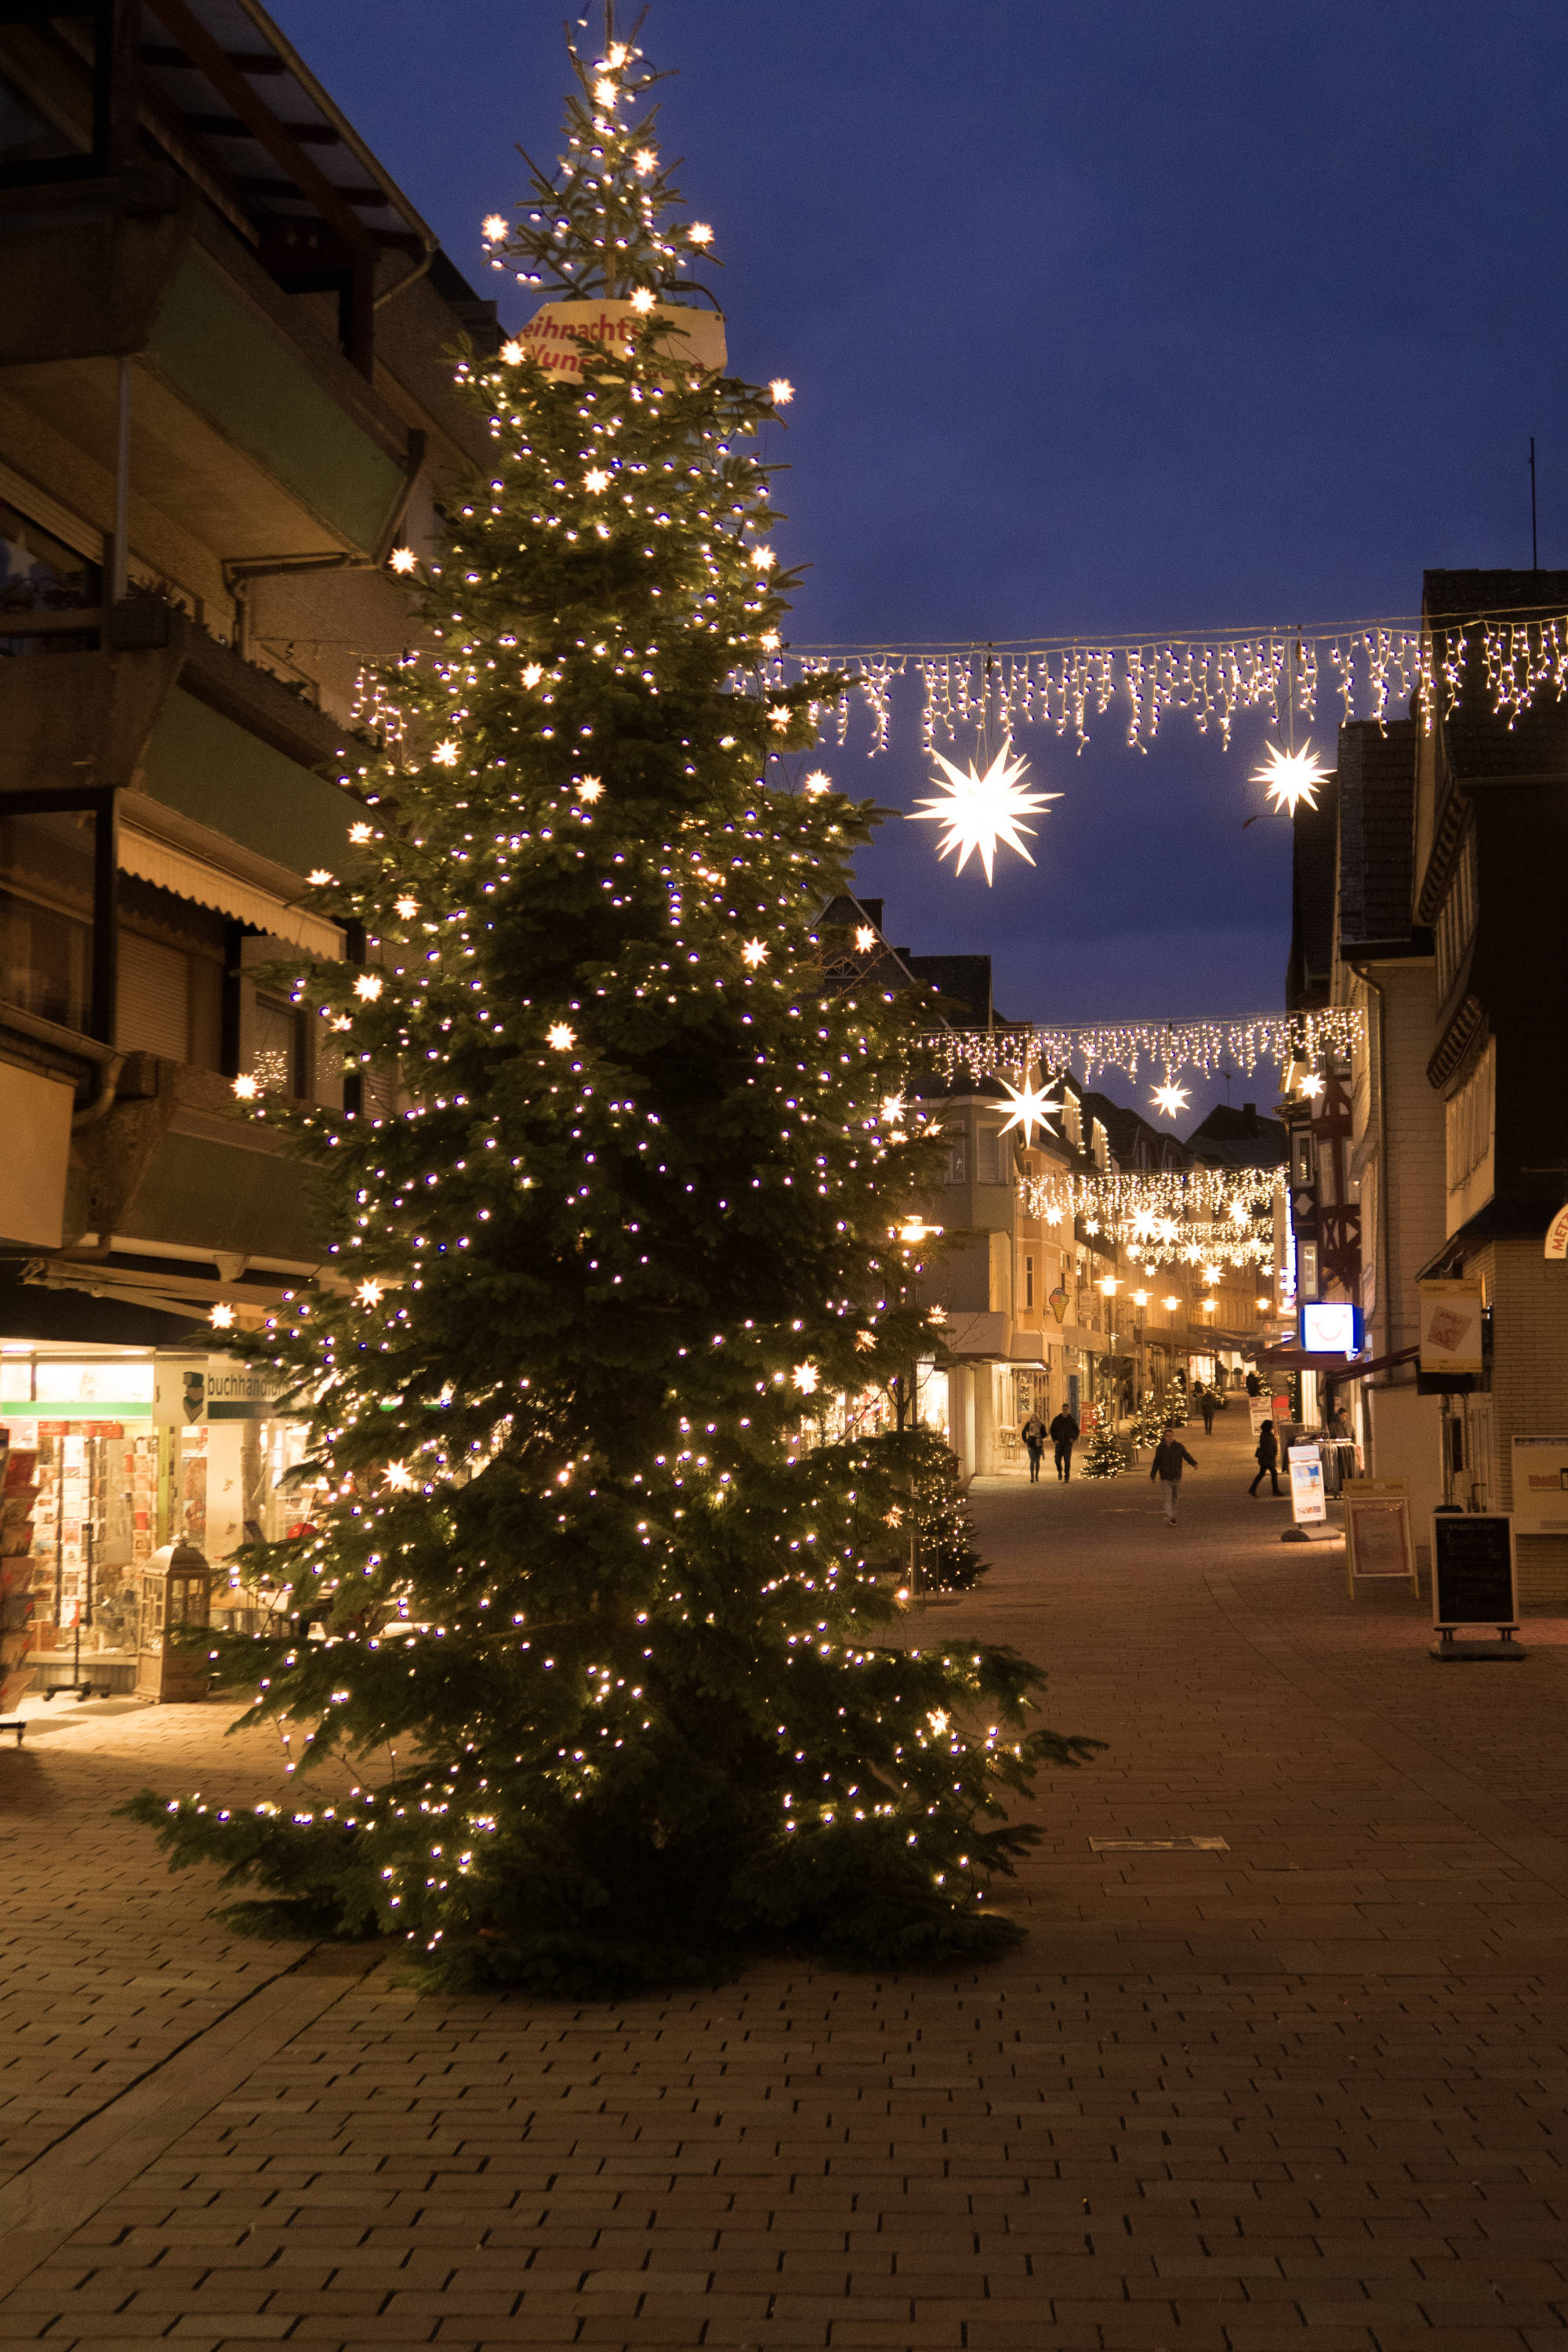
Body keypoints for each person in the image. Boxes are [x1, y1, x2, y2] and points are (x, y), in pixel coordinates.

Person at [1150, 1425, 1198, 1523]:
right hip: (1165, 1478)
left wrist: (1194, 1463)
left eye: (1171, 1436)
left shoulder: (1179, 1447)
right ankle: (1169, 1516)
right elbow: (1156, 1462)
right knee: (1167, 1498)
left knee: (1174, 1499)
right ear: (1165, 1437)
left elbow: (1186, 1455)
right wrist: (1153, 1474)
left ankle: (1173, 1516)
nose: (1170, 1438)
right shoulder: (1160, 1448)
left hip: (1176, 1477)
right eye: (1168, 1436)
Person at [1249, 1418, 1282, 1497]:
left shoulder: (1267, 1434)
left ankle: (1253, 1489)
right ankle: (1275, 1491)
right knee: (1273, 1473)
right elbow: (1267, 1448)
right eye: (1271, 1426)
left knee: (1262, 1473)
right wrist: (1272, 1455)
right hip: (1267, 1459)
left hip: (1266, 1459)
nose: (1272, 1427)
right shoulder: (1266, 1435)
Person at [1048, 1406, 1080, 1483]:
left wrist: (1074, 1438)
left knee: (1067, 1460)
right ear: (1062, 1409)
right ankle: (1059, 1470)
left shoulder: (1071, 1420)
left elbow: (1077, 1430)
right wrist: (1054, 1439)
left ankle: (1067, 1477)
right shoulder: (1057, 1419)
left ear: (1069, 1410)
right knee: (1057, 1459)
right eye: (1064, 1409)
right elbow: (1052, 1430)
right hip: (1059, 1443)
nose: (1065, 1411)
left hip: (1068, 1443)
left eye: (1066, 1409)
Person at [1020, 1412, 1047, 1483]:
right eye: (1033, 1417)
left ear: (1038, 1418)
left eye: (1035, 1417)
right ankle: (1032, 1477)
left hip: (1038, 1444)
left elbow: (1045, 1434)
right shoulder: (1028, 1425)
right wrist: (1025, 1440)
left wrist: (1040, 1435)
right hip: (1031, 1444)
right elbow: (1023, 1432)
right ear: (1031, 1418)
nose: (1034, 1419)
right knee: (1032, 1460)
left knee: (1037, 1461)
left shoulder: (1041, 1425)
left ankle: (1036, 1476)